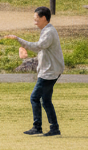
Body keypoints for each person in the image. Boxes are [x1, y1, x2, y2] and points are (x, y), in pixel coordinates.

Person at [5, 7, 63, 136]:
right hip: (50, 70)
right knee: (46, 100)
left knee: (34, 97)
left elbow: (38, 46)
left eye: (36, 19)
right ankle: (54, 128)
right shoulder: (46, 30)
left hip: (49, 72)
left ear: (43, 18)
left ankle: (38, 127)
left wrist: (18, 40)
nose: (34, 22)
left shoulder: (49, 32)